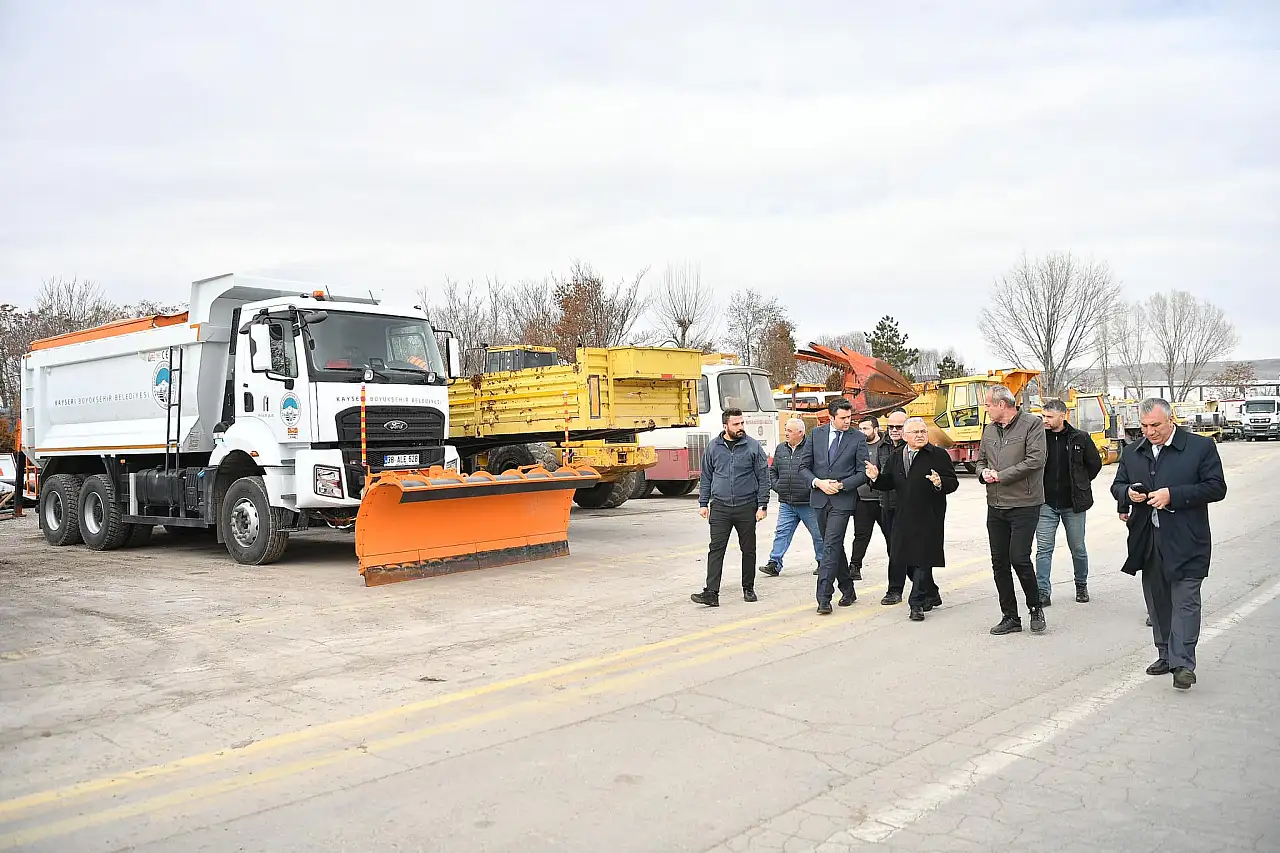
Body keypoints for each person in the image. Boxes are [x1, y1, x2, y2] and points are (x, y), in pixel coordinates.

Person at [1112, 398, 1226, 690]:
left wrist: (1172, 495)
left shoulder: (1200, 447)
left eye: (1156, 425)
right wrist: (1129, 494)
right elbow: (1117, 485)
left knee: (1186, 602)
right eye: (1145, 426)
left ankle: (1183, 664)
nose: (1150, 432)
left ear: (1171, 419)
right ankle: (1165, 654)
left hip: (1188, 540)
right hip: (1148, 541)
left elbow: (1216, 487)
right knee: (1158, 603)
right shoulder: (1133, 452)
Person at [865, 417, 958, 621]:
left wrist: (939, 482)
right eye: (915, 432)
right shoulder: (897, 456)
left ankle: (916, 603)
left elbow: (953, 482)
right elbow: (888, 482)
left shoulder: (938, 455)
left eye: (923, 431)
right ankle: (931, 593)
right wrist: (875, 478)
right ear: (905, 436)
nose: (920, 435)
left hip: (929, 516)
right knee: (904, 559)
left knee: (924, 560)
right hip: (903, 515)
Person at [977, 385, 1047, 635]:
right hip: (995, 505)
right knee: (999, 562)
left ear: (1002, 405)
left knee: (1019, 557)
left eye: (988, 405)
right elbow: (980, 460)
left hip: (1024, 503)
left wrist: (1001, 476)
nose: (985, 409)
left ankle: (1035, 607)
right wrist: (982, 472)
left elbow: (1035, 460)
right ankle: (1010, 616)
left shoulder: (1032, 424)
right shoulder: (989, 430)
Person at [691, 408, 771, 607]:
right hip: (720, 507)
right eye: (736, 424)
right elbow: (707, 476)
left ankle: (748, 588)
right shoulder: (713, 447)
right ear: (725, 426)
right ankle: (711, 593)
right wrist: (703, 503)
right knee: (716, 549)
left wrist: (762, 505)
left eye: (742, 423)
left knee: (748, 549)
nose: (741, 427)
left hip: (746, 506)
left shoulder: (752, 447)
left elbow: (763, 477)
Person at [800, 398, 870, 615]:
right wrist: (818, 483)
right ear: (831, 418)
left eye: (850, 417)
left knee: (829, 545)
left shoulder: (857, 438)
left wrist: (841, 485)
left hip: (843, 500)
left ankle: (824, 597)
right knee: (835, 545)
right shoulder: (816, 435)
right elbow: (804, 467)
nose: (847, 421)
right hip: (819, 499)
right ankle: (848, 589)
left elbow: (863, 473)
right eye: (843, 418)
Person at [1035, 398, 1102, 606]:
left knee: (1078, 548)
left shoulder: (1080, 438)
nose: (1045, 420)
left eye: (1049, 417)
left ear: (1063, 416)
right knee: (1043, 549)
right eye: (1043, 416)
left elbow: (1094, 465)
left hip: (1073, 504)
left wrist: (1080, 483)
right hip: (1045, 503)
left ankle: (1081, 585)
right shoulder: (1038, 438)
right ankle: (1043, 592)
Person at [760, 418, 823, 577]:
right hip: (787, 502)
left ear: (800, 433)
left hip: (808, 502)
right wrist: (777, 485)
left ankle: (823, 563)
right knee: (782, 533)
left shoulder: (812, 448)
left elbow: (820, 472)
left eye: (789, 430)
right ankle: (774, 563)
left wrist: (810, 487)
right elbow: (772, 470)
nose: (786, 433)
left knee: (818, 534)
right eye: (786, 429)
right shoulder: (781, 449)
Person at [849, 416, 892, 585]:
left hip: (883, 499)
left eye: (866, 428)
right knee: (860, 536)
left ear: (876, 429)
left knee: (891, 535)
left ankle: (897, 565)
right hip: (862, 499)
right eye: (860, 428)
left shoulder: (886, 446)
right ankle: (854, 566)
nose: (862, 432)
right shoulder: (856, 447)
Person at [878, 408, 910, 602]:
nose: (894, 430)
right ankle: (929, 591)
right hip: (887, 505)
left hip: (909, 508)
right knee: (894, 549)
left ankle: (895, 590)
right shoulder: (883, 446)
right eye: (890, 427)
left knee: (908, 550)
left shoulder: (914, 447)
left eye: (899, 427)